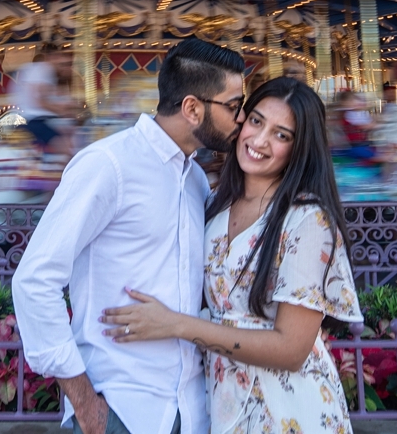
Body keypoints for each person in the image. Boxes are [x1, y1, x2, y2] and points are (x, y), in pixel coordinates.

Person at [99, 77, 362, 434]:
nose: (260, 140)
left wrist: (176, 324)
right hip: (225, 403)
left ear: (300, 149)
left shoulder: (306, 219)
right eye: (256, 121)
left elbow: (291, 348)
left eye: (281, 135)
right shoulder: (214, 205)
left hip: (290, 410)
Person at [13, 38, 247, 434]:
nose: (240, 119)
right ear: (192, 108)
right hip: (123, 408)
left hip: (191, 409)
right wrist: (86, 405)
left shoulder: (193, 178)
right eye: (234, 106)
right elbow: (34, 280)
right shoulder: (109, 165)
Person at [14, 43, 76, 149]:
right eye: (64, 63)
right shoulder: (43, 70)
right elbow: (39, 101)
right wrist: (63, 111)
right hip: (37, 121)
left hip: (39, 120)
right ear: (53, 57)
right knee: (67, 148)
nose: (66, 67)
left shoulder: (41, 71)